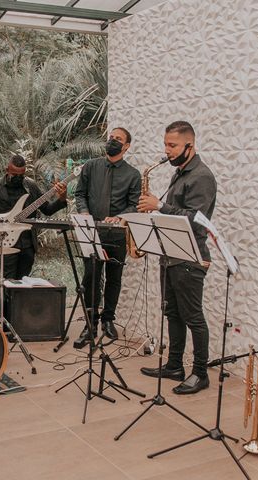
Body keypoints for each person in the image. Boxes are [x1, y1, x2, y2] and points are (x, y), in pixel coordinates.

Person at [138, 121, 217, 395]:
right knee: (172, 312)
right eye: (166, 145)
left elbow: (197, 220)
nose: (167, 151)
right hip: (171, 255)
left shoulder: (202, 177)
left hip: (191, 259)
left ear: (189, 146)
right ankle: (174, 365)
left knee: (193, 316)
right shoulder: (179, 173)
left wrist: (159, 205)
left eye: (172, 146)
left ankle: (200, 373)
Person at [72, 128, 141, 348]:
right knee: (91, 277)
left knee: (114, 278)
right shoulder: (91, 166)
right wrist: (84, 212)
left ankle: (108, 319)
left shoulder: (133, 174)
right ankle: (90, 324)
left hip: (117, 234)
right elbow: (79, 194)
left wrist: (119, 216)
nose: (112, 141)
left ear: (127, 146)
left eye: (118, 139)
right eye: (111, 138)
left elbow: (134, 204)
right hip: (91, 232)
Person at [0, 154, 67, 280]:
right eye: (15, 175)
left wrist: (62, 197)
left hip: (27, 244)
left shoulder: (31, 186)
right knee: (7, 283)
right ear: (7, 170)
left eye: (21, 175)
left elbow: (47, 209)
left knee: (24, 284)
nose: (18, 178)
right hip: (6, 243)